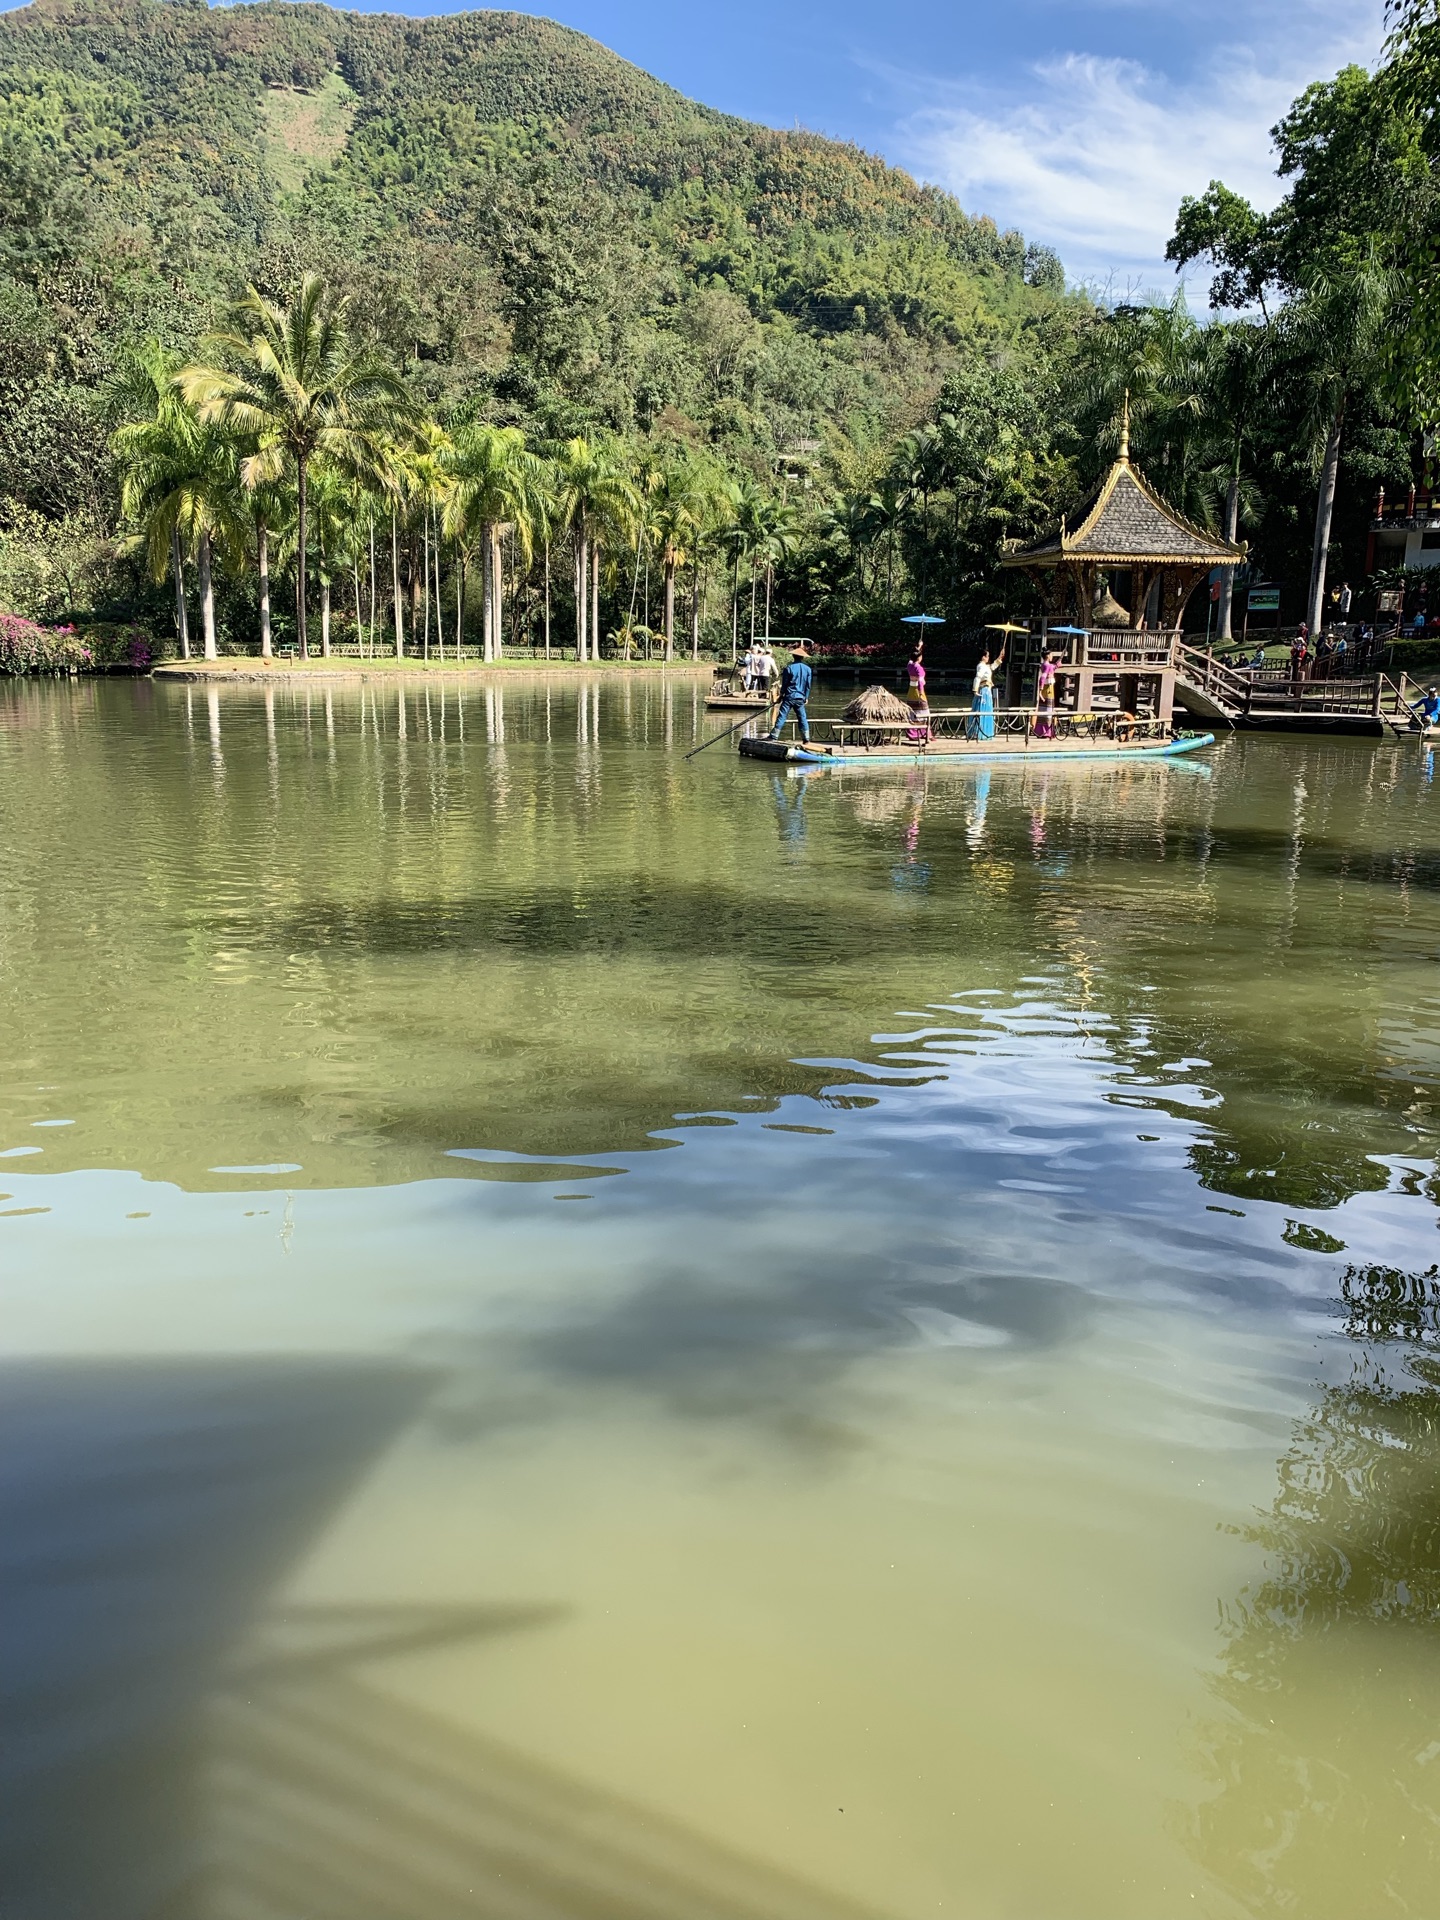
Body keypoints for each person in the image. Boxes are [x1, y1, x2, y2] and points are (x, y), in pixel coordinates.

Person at [767, 642, 813, 743]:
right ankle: (806, 739)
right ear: (802, 658)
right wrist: (806, 697)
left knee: (782, 716)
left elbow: (785, 684)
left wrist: (781, 695)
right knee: (802, 718)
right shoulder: (808, 669)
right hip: (800, 697)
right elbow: (808, 686)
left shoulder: (789, 668)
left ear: (793, 656)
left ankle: (774, 736)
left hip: (789, 697)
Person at [966, 642, 1004, 741]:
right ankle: (979, 732)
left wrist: (1000, 658)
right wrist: (975, 689)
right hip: (983, 690)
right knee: (981, 710)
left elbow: (992, 667)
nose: (988, 658)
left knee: (986, 710)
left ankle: (984, 732)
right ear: (983, 657)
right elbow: (978, 677)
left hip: (987, 690)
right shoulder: (981, 666)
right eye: (987, 656)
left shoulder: (985, 666)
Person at [904, 637, 929, 739]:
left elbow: (911, 659)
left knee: (912, 712)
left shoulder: (909, 666)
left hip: (911, 691)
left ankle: (912, 733)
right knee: (924, 712)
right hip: (918, 691)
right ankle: (923, 733)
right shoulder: (920, 669)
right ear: (919, 658)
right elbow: (920, 682)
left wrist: (919, 646)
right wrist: (921, 693)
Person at [1033, 649, 1060, 738]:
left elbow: (1053, 667)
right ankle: (1046, 731)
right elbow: (1043, 677)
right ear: (1047, 656)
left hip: (1047, 688)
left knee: (1044, 710)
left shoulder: (1045, 665)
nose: (1052, 656)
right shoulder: (1047, 665)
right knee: (1047, 710)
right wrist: (1040, 690)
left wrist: (1058, 663)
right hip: (1047, 689)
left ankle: (1042, 730)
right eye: (1051, 655)